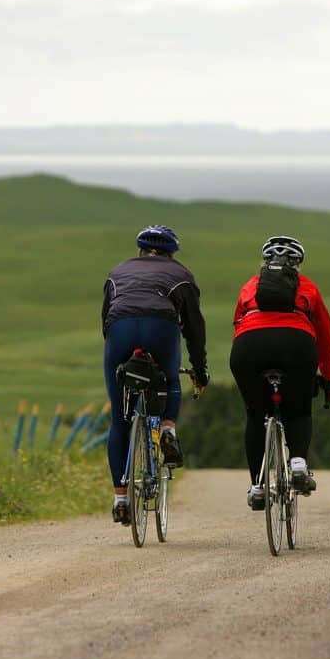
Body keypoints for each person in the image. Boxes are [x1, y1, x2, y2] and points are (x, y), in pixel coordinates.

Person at [102, 225, 208, 525]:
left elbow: (106, 318)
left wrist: (118, 358)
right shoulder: (181, 274)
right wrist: (199, 370)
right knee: (171, 378)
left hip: (120, 331)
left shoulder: (117, 271)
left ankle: (121, 498)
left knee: (119, 420)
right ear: (171, 252)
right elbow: (194, 329)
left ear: (140, 250)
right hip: (161, 328)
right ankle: (169, 430)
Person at [230, 236, 330, 510]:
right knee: (298, 411)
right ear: (298, 264)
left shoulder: (249, 286)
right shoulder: (309, 288)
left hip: (249, 347)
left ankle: (257, 487)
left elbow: (238, 326)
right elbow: (325, 337)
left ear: (265, 263)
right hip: (296, 345)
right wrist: (328, 375)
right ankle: (299, 462)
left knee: (256, 416)